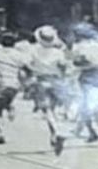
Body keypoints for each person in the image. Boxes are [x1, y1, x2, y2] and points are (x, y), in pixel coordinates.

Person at [26, 25, 72, 155]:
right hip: (56, 81)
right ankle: (54, 135)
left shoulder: (33, 51)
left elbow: (28, 65)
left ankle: (56, 132)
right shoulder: (58, 52)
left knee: (47, 111)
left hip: (41, 80)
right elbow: (64, 66)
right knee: (56, 109)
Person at [0, 31, 30, 144]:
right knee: (8, 101)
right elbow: (27, 66)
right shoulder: (19, 54)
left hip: (0, 83)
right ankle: (10, 107)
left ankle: (1, 134)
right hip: (15, 84)